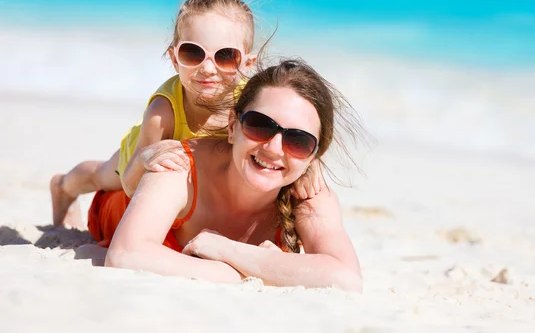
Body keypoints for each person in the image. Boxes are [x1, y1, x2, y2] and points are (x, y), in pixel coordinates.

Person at [50, 0, 323, 229]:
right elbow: (131, 186)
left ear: (248, 64)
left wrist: (310, 168)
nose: (207, 68)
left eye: (225, 56)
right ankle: (63, 186)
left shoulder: (251, 102)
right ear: (174, 57)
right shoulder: (162, 113)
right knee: (101, 175)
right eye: (193, 53)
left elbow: (288, 132)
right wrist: (144, 160)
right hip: (138, 155)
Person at [100, 60, 364, 291]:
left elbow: (346, 278)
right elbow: (125, 254)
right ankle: (65, 186)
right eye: (260, 126)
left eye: (298, 141)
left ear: (312, 157)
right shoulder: (179, 165)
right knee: (100, 172)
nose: (273, 149)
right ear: (232, 127)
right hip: (116, 207)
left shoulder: (308, 194)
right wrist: (244, 272)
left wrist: (227, 250)